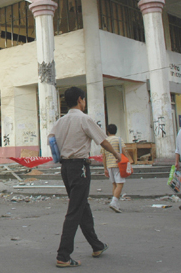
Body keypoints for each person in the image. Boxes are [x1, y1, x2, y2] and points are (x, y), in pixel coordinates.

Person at [50, 87, 121, 268]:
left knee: (82, 206)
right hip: (79, 167)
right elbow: (103, 140)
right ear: (80, 100)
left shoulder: (60, 121)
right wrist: (117, 154)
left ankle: (96, 245)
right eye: (84, 99)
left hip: (65, 168)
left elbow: (51, 139)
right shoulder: (84, 119)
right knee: (75, 210)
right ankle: (63, 255)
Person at [102, 124, 131, 213]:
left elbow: (103, 156)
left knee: (114, 184)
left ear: (108, 131)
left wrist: (105, 168)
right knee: (120, 184)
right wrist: (129, 161)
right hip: (119, 164)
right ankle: (114, 202)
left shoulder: (105, 141)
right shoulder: (119, 139)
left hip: (109, 165)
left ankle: (115, 202)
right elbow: (124, 151)